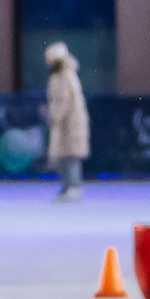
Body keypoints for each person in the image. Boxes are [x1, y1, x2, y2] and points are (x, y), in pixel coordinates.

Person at [44, 41, 89, 200]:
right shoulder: (59, 76)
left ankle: (74, 187)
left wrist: (54, 116)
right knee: (64, 155)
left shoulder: (65, 76)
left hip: (70, 123)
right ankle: (67, 186)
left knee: (71, 155)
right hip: (64, 123)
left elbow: (63, 100)